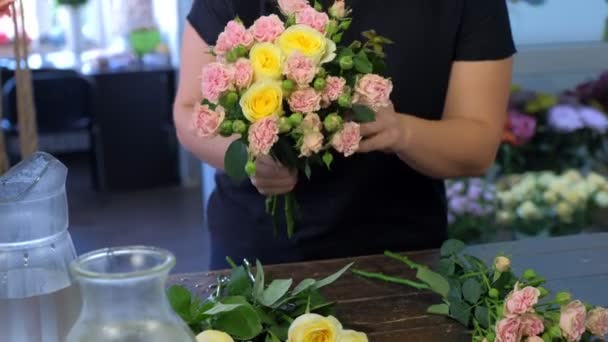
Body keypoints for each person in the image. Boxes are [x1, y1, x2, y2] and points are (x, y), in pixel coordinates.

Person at [174, 0, 515, 270]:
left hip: (398, 260)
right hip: (258, 257)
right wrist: (251, 156)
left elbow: (477, 144)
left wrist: (402, 133)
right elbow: (189, 110)